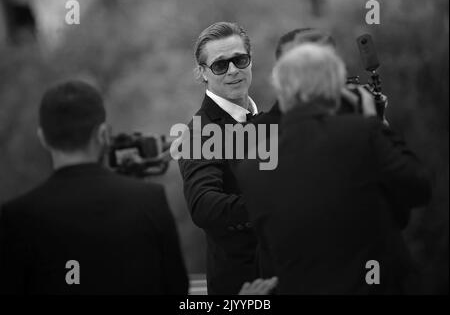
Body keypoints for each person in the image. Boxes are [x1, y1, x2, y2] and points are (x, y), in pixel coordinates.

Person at [236, 44, 431, 294]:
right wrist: (376, 122)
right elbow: (418, 188)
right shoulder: (362, 133)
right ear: (335, 90)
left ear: (282, 94)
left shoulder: (251, 168)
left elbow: (273, 250)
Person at [0, 80, 189, 295]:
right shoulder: (149, 200)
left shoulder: (16, 216)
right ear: (102, 134)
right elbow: (177, 288)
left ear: (43, 138)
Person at [177, 22, 261, 294]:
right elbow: (203, 206)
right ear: (203, 72)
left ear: (250, 60)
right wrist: (271, 204)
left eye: (240, 59)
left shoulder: (270, 121)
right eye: (220, 65)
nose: (233, 70)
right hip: (240, 288)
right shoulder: (198, 132)